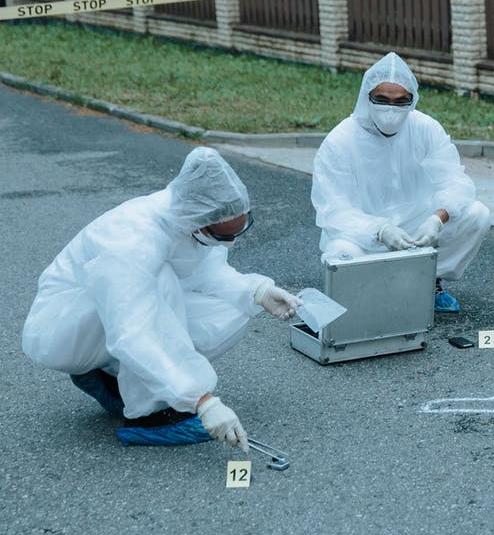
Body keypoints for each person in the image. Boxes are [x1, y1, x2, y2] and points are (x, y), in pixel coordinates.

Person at [21, 147, 302, 449]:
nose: (231, 241)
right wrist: (201, 399)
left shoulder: (188, 215)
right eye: (223, 236)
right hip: (65, 330)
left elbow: (205, 272)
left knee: (231, 310)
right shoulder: (133, 239)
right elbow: (132, 330)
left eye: (239, 230)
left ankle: (114, 380)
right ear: (200, 222)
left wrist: (255, 290)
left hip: (110, 321)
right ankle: (147, 418)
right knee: (160, 283)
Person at [312, 51, 490, 312]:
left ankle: (429, 281)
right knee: (340, 253)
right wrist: (379, 229)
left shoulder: (425, 128)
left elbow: (455, 181)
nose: (390, 109)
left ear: (412, 100)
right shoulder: (340, 141)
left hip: (416, 229)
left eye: (400, 101)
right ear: (367, 97)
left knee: (477, 214)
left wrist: (437, 219)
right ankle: (376, 291)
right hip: (363, 234)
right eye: (382, 99)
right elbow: (334, 210)